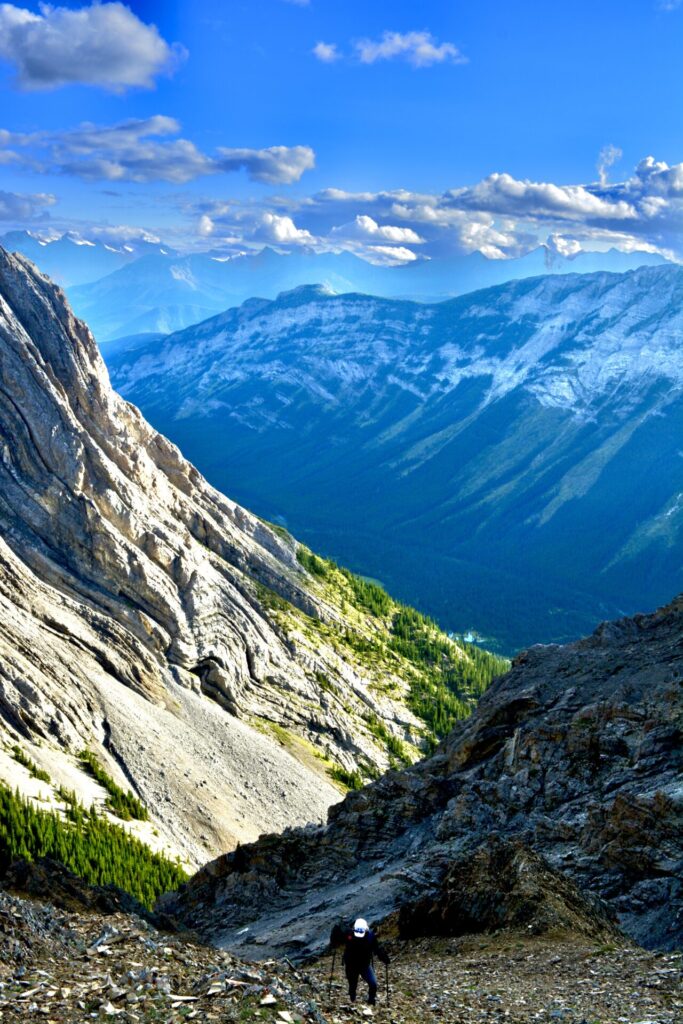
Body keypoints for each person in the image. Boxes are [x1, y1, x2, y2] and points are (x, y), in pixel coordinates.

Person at [331, 917, 389, 1006]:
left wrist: (384, 958)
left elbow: (377, 949)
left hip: (364, 965)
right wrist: (335, 932)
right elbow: (337, 939)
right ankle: (353, 1000)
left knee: (373, 983)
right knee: (352, 985)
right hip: (351, 965)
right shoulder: (349, 934)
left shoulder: (370, 937)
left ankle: (371, 1000)